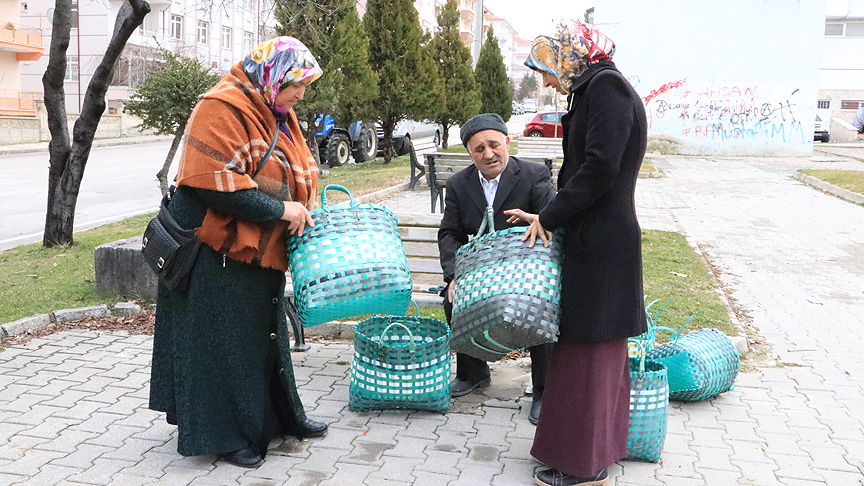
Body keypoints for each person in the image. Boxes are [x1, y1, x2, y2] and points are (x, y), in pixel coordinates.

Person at [148, 36, 328, 468]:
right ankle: (223, 436)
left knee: (260, 336)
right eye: (296, 83)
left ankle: (281, 417)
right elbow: (213, 180)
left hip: (255, 246)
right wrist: (283, 208)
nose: (302, 94)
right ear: (272, 76)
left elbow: (292, 167)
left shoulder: (275, 110)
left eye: (305, 84)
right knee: (218, 344)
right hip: (212, 246)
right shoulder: (222, 105)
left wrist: (303, 204)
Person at [515, 21, 648, 486]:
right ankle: (590, 451)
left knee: (590, 352)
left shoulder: (606, 88)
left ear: (570, 55)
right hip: (598, 239)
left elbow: (599, 167)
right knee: (590, 352)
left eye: (548, 70)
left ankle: (585, 465)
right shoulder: (597, 87)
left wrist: (548, 216)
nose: (547, 82)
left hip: (602, 243)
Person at [437, 113, 554, 424]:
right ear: (469, 153)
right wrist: (454, 275)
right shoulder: (459, 184)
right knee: (453, 298)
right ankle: (473, 373)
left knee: (540, 304)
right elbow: (450, 232)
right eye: (479, 149)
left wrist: (535, 218)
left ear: (507, 142)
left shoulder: (534, 175)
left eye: (493, 145)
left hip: (529, 268)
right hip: (483, 272)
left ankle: (544, 388)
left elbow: (553, 221)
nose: (488, 154)